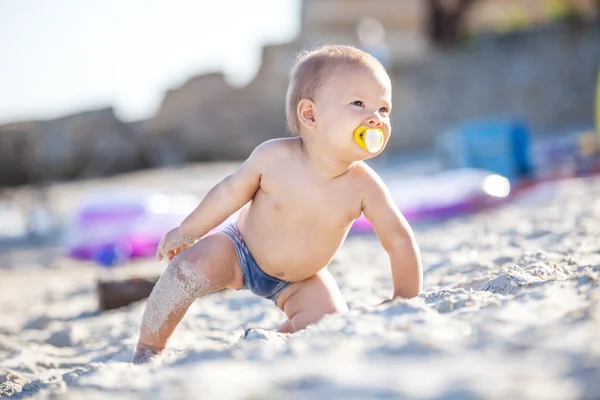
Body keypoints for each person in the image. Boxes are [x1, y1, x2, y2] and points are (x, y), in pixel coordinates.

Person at [132, 45, 423, 364]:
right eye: (359, 104)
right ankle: (149, 347)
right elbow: (229, 192)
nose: (376, 119)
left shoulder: (365, 186)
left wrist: (404, 297)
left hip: (302, 278)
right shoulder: (274, 157)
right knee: (184, 274)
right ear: (310, 114)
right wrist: (187, 232)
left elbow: (398, 240)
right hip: (239, 250)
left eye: (384, 109)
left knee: (329, 323)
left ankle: (277, 337)